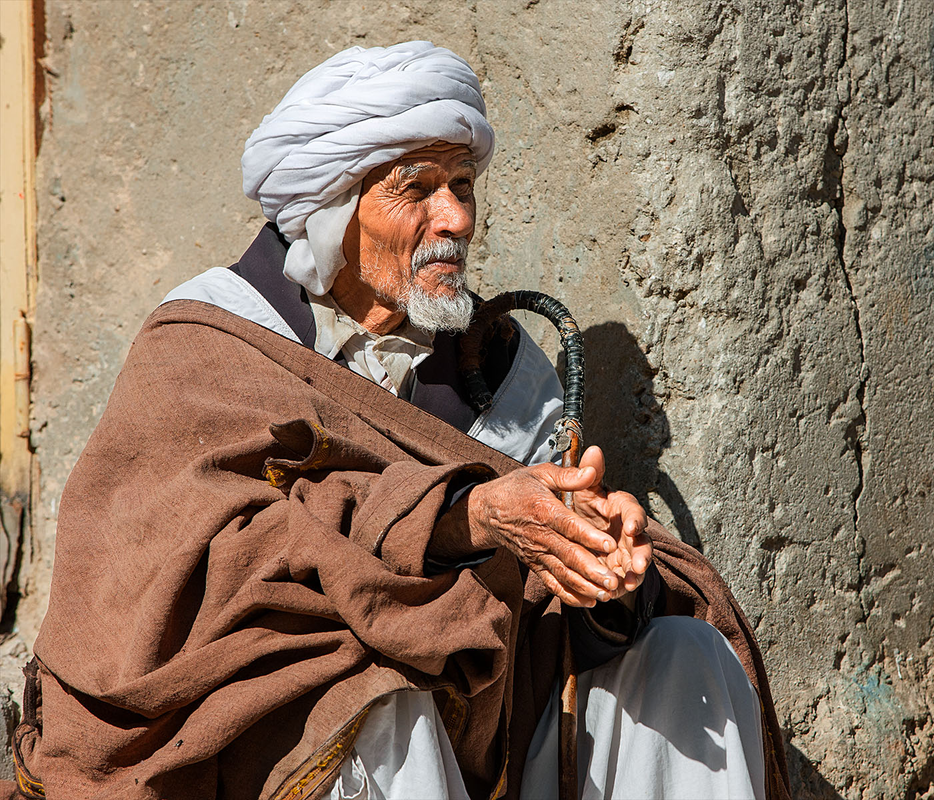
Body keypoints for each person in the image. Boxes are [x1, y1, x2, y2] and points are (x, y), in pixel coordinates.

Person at [8, 42, 789, 800]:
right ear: (331, 207)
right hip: (265, 745)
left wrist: (593, 565)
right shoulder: (211, 347)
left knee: (687, 656)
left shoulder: (501, 368)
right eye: (415, 190)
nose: (455, 218)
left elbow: (535, 626)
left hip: (488, 738)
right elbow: (194, 580)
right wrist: (464, 518)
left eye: (463, 185)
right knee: (374, 696)